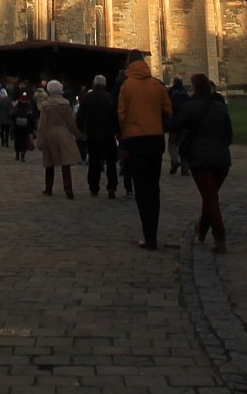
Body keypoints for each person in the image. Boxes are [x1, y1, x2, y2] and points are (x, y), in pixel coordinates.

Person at [172, 72, 235, 250]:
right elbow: (229, 135)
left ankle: (220, 237)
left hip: (201, 160)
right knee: (210, 197)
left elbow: (174, 125)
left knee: (210, 199)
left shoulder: (190, 107)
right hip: (223, 160)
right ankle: (201, 229)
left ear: (194, 88)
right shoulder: (220, 107)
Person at [118, 54, 174, 249]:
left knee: (141, 190)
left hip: (135, 141)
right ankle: (154, 231)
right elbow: (168, 111)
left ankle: (149, 236)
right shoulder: (157, 85)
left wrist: (122, 136)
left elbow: (121, 115)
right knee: (153, 187)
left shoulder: (127, 85)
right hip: (155, 140)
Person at [77, 73, 122, 199]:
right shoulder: (110, 97)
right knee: (111, 162)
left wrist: (81, 129)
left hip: (92, 133)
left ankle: (94, 187)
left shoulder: (87, 97)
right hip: (108, 133)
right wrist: (117, 130)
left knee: (94, 162)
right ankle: (112, 187)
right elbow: (116, 115)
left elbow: (80, 116)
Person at [35, 80, 82, 197]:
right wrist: (77, 134)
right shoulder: (65, 103)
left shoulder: (46, 105)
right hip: (63, 133)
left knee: (49, 164)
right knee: (66, 164)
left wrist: (39, 140)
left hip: (50, 134)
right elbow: (71, 123)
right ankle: (68, 188)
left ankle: (48, 188)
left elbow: (42, 125)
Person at [165, 76, 192, 175]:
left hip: (174, 122)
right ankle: (185, 169)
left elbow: (166, 106)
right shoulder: (184, 92)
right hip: (185, 123)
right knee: (183, 145)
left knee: (172, 144)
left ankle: (175, 160)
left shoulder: (170, 92)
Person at [9, 87, 38, 161]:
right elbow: (32, 117)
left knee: (18, 140)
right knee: (24, 141)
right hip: (25, 127)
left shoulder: (17, 106)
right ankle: (22, 154)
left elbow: (12, 115)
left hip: (18, 126)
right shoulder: (29, 107)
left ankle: (18, 154)